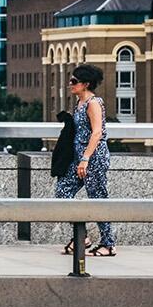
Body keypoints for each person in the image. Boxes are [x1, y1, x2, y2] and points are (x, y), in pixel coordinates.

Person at [56, 63, 115, 258]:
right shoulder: (79, 103)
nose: (70, 84)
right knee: (62, 191)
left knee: (98, 198)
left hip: (92, 158)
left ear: (86, 84)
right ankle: (81, 237)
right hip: (80, 158)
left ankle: (109, 244)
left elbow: (97, 132)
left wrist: (85, 159)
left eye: (74, 81)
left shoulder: (93, 103)